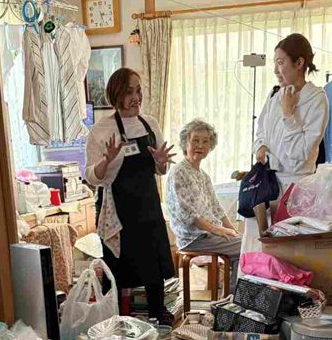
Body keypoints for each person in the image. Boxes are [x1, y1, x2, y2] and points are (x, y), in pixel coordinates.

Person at [85, 68, 177, 324]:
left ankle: (157, 312)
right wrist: (106, 160)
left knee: (153, 260)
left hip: (147, 203)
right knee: (118, 263)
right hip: (117, 207)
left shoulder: (150, 124)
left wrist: (161, 162)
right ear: (116, 95)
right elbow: (92, 176)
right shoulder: (101, 130)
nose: (136, 97)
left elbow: (160, 170)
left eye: (139, 91)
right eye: (129, 92)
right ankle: (115, 319)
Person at [244, 33, 329, 258]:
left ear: (299, 63)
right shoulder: (275, 94)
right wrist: (260, 147)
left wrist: (289, 115)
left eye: (280, 62)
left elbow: (301, 153)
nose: (275, 69)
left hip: (295, 189)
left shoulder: (317, 99)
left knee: (287, 257)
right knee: (257, 253)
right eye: (275, 63)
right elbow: (260, 132)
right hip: (266, 184)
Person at [166, 118, 241, 277]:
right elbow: (187, 215)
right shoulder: (178, 172)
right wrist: (218, 230)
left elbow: (217, 210)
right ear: (185, 143)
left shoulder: (204, 176)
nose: (200, 145)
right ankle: (236, 293)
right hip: (194, 238)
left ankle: (233, 292)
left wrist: (233, 231)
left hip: (209, 235)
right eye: (195, 140)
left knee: (245, 246)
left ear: (210, 146)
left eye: (205, 141)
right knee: (247, 247)